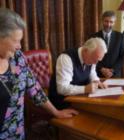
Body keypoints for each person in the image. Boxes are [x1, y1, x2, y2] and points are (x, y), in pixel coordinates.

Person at [0, 8, 78, 139]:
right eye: (16, 40)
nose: (20, 46)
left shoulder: (17, 58)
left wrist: (56, 112)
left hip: (17, 133)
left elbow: (34, 89)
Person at [49, 37, 108, 109]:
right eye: (94, 60)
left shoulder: (92, 57)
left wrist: (96, 81)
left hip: (79, 99)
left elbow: (92, 72)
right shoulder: (66, 58)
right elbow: (62, 89)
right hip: (62, 103)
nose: (96, 63)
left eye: (98, 60)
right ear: (86, 50)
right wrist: (85, 89)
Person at [90, 10, 124, 78]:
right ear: (102, 21)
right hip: (97, 74)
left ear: (114, 23)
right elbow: (91, 55)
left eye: (111, 22)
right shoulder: (94, 37)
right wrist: (102, 69)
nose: (108, 24)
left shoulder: (120, 37)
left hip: (115, 74)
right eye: (106, 21)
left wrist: (112, 70)